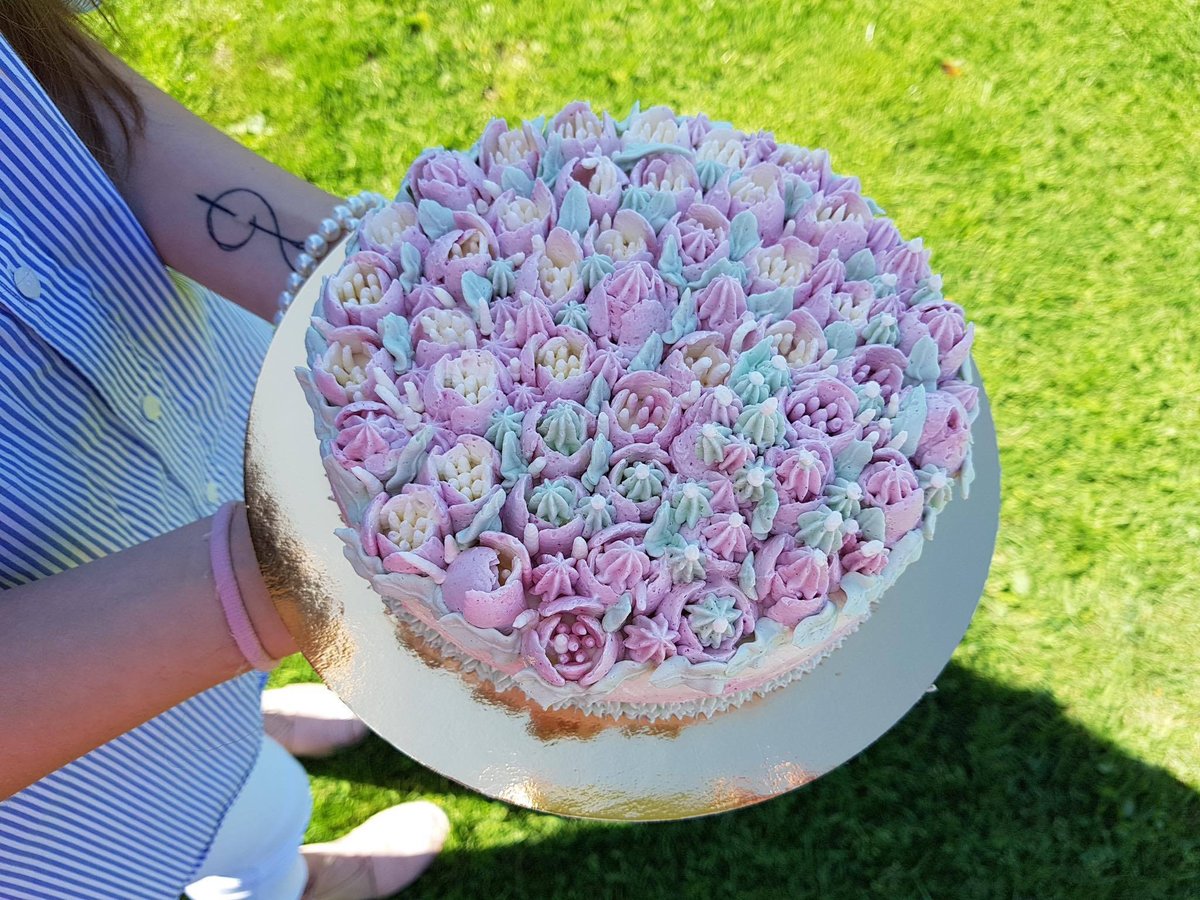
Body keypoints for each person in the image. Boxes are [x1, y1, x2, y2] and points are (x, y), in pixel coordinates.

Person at [0, 2, 449, 897]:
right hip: (72, 753)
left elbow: (57, 101)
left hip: (190, 414)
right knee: (230, 812)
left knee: (232, 714)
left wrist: (405, 294)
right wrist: (285, 572)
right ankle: (285, 880)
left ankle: (253, 723)